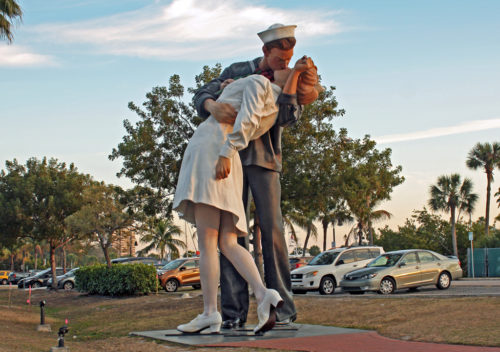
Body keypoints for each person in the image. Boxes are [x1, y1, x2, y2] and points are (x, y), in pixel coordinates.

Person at [174, 58, 317, 335]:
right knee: (228, 241)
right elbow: (206, 93)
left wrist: (227, 148)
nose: (287, 62)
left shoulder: (259, 83)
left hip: (219, 151)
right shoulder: (254, 82)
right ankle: (261, 295)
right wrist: (218, 98)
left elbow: (253, 117)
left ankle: (210, 312)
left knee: (211, 240)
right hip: (232, 157)